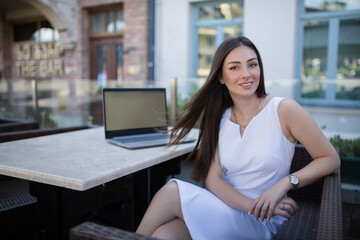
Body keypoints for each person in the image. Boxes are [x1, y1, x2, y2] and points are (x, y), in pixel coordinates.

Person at [135, 36, 340, 240]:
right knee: (163, 235)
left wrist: (285, 184)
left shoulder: (284, 109)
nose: (246, 74)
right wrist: (251, 205)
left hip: (264, 216)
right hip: (228, 207)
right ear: (221, 77)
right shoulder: (219, 117)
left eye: (252, 65)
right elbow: (213, 181)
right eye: (235, 68)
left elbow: (330, 159)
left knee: (171, 191)